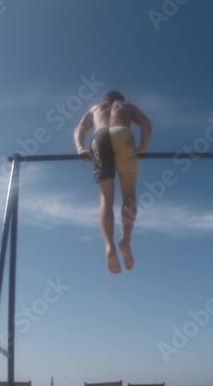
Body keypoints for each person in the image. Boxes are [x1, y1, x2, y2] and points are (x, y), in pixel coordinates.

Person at [74, 90, 152, 273]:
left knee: (106, 200)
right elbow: (146, 124)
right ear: (120, 100)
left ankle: (109, 245)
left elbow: (80, 128)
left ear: (105, 101)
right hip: (122, 134)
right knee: (129, 195)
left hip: (100, 137)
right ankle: (126, 241)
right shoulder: (126, 106)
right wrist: (143, 147)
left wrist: (80, 148)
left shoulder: (95, 108)